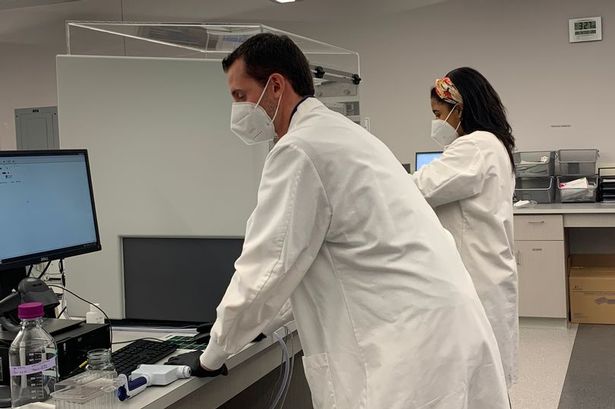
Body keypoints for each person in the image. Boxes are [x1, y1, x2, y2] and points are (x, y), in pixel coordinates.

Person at [168, 35, 509, 409]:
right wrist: (251, 327)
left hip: (406, 347)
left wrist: (211, 356)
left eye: (239, 96)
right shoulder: (346, 135)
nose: (236, 110)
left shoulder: (299, 150)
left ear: (276, 86)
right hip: (439, 327)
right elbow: (303, 264)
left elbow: (266, 269)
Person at [412, 67, 518, 389]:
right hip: (488, 274)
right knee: (488, 381)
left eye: (438, 113)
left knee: (476, 380)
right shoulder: (493, 144)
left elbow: (419, 188)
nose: (436, 122)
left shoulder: (474, 147)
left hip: (476, 278)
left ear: (459, 108)